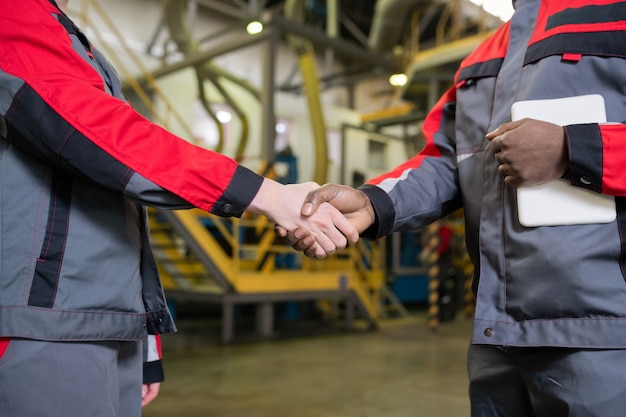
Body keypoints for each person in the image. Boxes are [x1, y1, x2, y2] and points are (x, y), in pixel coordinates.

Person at [0, 1, 357, 416]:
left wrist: (144, 331)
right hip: (42, 323)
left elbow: (115, 207)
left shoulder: (69, 35)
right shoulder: (13, 11)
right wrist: (270, 196)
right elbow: (95, 133)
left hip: (106, 322)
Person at [279, 1, 626, 415]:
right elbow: (448, 161)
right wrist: (372, 202)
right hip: (497, 335)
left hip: (605, 331)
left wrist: (575, 149)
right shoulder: (480, 58)